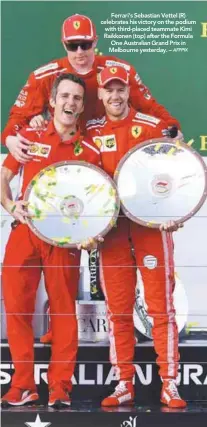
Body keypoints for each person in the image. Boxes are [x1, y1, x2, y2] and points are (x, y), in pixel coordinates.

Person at [86, 66, 186, 408]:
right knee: (118, 311)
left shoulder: (151, 126)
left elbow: (178, 165)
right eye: (108, 90)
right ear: (99, 94)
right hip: (112, 234)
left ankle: (170, 383)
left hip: (150, 230)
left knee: (162, 308)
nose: (115, 96)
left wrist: (176, 210)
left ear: (129, 91)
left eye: (120, 89)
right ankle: (123, 383)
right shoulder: (90, 131)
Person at [0, 73, 101, 409]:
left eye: (76, 98)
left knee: (62, 314)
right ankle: (23, 386)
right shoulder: (28, 136)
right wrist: (12, 205)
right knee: (15, 310)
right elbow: (3, 176)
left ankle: (60, 388)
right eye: (65, 97)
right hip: (24, 235)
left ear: (82, 106)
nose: (70, 103)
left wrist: (91, 235)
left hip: (64, 243)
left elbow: (101, 203)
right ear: (53, 101)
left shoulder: (88, 150)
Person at [2, 14, 181, 164]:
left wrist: (172, 127)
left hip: (106, 149)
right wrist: (10, 138)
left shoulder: (120, 70)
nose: (79, 51)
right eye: (73, 45)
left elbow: (149, 107)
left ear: (95, 42)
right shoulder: (43, 76)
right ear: (64, 44)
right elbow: (19, 115)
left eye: (85, 44)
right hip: (65, 149)